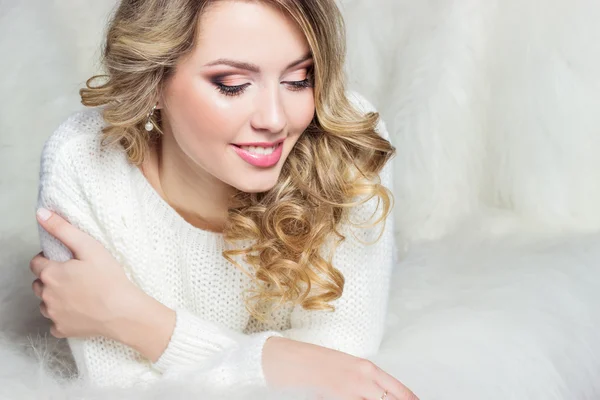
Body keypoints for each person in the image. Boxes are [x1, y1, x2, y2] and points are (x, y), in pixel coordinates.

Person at [30, 0, 418, 399]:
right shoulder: (83, 164)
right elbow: (122, 387)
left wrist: (139, 321)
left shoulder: (349, 142)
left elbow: (340, 359)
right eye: (232, 84)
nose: (275, 119)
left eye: (299, 79)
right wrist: (277, 361)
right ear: (153, 82)